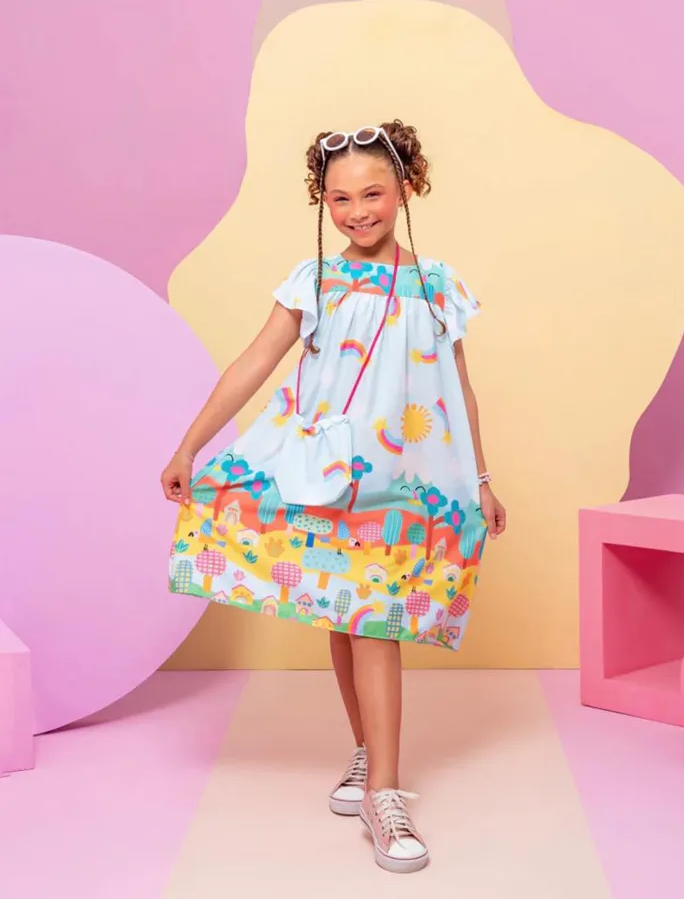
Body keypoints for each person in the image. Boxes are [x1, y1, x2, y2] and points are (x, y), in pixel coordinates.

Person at [161, 120, 506, 874]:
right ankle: (371, 756)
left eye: (372, 194)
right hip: (325, 478)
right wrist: (191, 445)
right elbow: (255, 362)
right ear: (324, 202)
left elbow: (459, 389)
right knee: (345, 621)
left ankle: (383, 790)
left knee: (374, 625)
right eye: (340, 199)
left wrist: (480, 479)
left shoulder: (437, 287)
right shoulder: (313, 280)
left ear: (405, 189)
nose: (357, 212)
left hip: (400, 487)